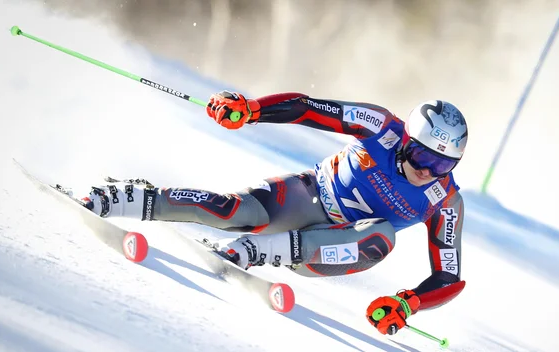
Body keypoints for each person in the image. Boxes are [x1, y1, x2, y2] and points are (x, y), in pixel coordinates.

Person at [82, 91, 468, 336]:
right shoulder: (382, 126)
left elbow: (449, 277)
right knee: (232, 210)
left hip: (330, 250)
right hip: (309, 194)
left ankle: (255, 251)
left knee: (384, 236)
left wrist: (408, 303)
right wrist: (251, 110)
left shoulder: (444, 201)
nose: (428, 171)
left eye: (442, 165)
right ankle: (127, 197)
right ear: (407, 140)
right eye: (422, 156)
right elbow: (305, 108)